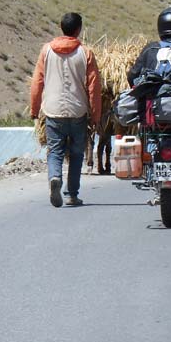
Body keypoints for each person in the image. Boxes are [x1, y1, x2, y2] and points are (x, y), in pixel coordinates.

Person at [30, 12, 102, 208]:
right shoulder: (86, 53)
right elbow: (94, 87)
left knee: (55, 151)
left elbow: (37, 82)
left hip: (53, 111)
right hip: (78, 111)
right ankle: (71, 194)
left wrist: (34, 110)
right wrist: (96, 114)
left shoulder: (46, 51)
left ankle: (55, 177)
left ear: (61, 27)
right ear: (78, 30)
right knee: (77, 154)